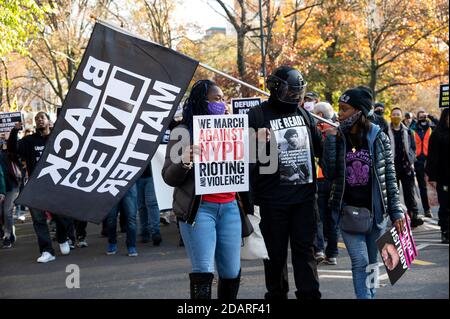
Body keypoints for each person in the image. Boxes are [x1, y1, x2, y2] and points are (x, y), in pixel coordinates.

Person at [162, 79, 251, 299]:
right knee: (204, 269)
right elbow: (168, 177)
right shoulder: (182, 132)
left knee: (231, 271)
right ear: (202, 102)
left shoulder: (232, 128)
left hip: (230, 208)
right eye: (216, 99)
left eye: (223, 99)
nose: (222, 104)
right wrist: (183, 161)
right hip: (199, 211)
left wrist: (258, 145)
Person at [247, 66, 323, 299]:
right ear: (277, 88)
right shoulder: (257, 115)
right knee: (275, 255)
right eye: (291, 91)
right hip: (271, 201)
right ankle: (277, 294)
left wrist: (334, 136)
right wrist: (255, 141)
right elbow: (244, 158)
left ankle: (310, 294)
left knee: (305, 252)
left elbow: (319, 149)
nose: (295, 97)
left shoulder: (305, 115)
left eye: (298, 92)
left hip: (304, 199)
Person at [323, 86, 405, 299]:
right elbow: (330, 174)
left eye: (344, 109)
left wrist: (396, 211)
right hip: (348, 213)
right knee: (359, 262)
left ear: (359, 111)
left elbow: (389, 178)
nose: (339, 114)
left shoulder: (379, 138)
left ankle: (371, 295)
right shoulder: (337, 137)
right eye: (338, 109)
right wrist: (331, 140)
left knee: (371, 264)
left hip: (375, 213)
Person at [8, 113, 73, 263]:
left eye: (42, 118)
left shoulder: (58, 138)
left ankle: (63, 238)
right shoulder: (29, 141)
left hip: (55, 186)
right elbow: (13, 149)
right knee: (38, 220)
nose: (39, 120)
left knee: (60, 216)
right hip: (35, 187)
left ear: (49, 122)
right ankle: (46, 251)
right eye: (37, 119)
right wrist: (14, 132)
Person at [388, 108, 424, 227]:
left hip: (406, 167)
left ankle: (413, 217)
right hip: (391, 168)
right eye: (394, 115)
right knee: (393, 195)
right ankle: (395, 219)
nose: (396, 117)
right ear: (390, 116)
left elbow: (413, 148)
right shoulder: (385, 131)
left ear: (401, 116)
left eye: (398, 114)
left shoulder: (408, 131)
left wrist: (411, 159)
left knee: (410, 194)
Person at [313, 102, 339, 265]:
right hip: (335, 181)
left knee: (319, 218)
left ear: (320, 116)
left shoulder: (317, 130)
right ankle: (332, 253)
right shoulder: (338, 130)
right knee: (333, 218)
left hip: (319, 179)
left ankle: (319, 250)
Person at [426, 108, 449, 244]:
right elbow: (432, 158)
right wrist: (432, 177)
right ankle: (445, 231)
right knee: (446, 204)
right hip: (443, 177)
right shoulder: (437, 135)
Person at [411, 110, 434, 218]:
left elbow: (440, 124)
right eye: (420, 117)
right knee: (422, 186)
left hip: (431, 160)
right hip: (418, 160)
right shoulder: (413, 129)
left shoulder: (431, 128)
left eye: (424, 116)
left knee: (435, 184)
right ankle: (427, 209)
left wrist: (430, 116)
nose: (423, 118)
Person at [106, 183, 138, 257]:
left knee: (131, 217)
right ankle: (112, 242)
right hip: (111, 184)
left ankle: (131, 245)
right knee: (111, 218)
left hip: (129, 184)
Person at [0, 144, 22, 248]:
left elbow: (16, 155)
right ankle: (8, 230)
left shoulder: (10, 152)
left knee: (7, 211)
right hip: (1, 187)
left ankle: (7, 236)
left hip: (11, 186)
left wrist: (8, 143)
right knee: (1, 213)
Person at [137, 163, 162, 246]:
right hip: (139, 175)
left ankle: (155, 232)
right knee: (142, 205)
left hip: (150, 174)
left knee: (151, 203)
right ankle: (146, 231)